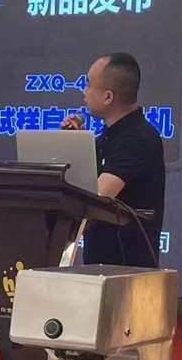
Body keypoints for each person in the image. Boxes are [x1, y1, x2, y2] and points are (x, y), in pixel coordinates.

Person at [62, 53, 165, 267]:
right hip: (100, 265)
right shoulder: (107, 139)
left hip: (127, 271)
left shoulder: (138, 139)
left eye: (88, 84)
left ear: (108, 97)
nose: (84, 91)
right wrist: (75, 146)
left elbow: (95, 199)